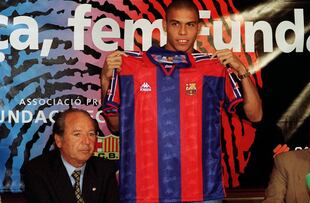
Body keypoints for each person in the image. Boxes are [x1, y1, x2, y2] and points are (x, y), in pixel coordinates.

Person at [101, 0, 262, 202]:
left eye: (190, 25)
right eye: (176, 24)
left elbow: (255, 115)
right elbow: (115, 124)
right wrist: (105, 80)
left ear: (199, 27)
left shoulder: (211, 68)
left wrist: (242, 71)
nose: (183, 32)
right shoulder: (131, 66)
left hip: (201, 191)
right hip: (145, 191)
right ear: (164, 25)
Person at [23, 109, 119, 203]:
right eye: (77, 134)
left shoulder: (105, 169)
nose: (86, 141)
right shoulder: (37, 171)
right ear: (59, 140)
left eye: (91, 134)